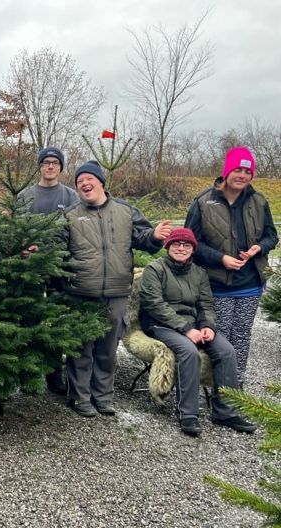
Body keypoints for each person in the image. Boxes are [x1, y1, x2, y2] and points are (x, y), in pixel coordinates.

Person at [57, 160, 170, 417]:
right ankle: (79, 397)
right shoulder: (70, 214)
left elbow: (144, 239)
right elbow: (54, 244)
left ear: (101, 182)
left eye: (89, 179)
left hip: (116, 293)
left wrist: (155, 237)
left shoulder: (125, 211)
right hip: (80, 293)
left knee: (108, 350)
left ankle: (103, 397)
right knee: (81, 351)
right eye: (79, 181)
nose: (84, 184)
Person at [138, 228, 256, 435]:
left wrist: (207, 326)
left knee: (227, 351)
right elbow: (154, 304)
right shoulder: (154, 269)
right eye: (176, 244)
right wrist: (185, 329)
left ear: (193, 249)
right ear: (168, 247)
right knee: (188, 351)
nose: (181, 248)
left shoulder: (199, 273)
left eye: (187, 245)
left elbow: (206, 304)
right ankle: (187, 413)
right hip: (160, 324)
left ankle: (226, 412)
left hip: (193, 325)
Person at [185, 147, 278, 388]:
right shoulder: (204, 201)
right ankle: (215, 384)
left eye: (248, 171)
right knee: (219, 336)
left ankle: (236, 386)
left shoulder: (258, 201)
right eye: (238, 169)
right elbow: (190, 242)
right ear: (227, 171)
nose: (243, 175)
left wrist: (260, 248)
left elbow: (271, 235)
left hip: (250, 284)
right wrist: (221, 258)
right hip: (216, 284)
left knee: (242, 335)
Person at [17, 146, 79, 396]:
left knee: (55, 319)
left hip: (58, 267)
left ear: (61, 167)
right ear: (40, 166)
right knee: (29, 316)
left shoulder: (71, 196)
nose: (50, 166)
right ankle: (27, 372)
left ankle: (54, 372)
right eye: (46, 162)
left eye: (55, 162)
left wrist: (47, 248)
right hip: (30, 267)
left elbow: (72, 231)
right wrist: (25, 247)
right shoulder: (25, 195)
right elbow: (17, 227)